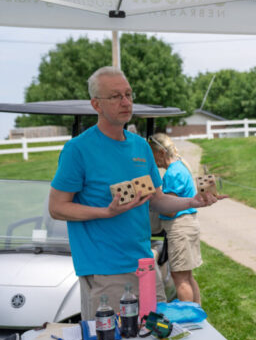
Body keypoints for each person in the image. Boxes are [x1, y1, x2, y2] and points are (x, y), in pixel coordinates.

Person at [49, 66, 217, 320]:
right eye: (116, 96)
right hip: (106, 271)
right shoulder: (78, 150)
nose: (126, 102)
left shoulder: (140, 146)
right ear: (96, 104)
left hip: (146, 266)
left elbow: (157, 200)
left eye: (128, 94)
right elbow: (57, 207)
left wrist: (193, 201)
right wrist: (106, 212)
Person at [149, 133, 226, 304]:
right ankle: (198, 315)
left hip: (179, 228)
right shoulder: (181, 167)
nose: (152, 161)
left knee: (180, 278)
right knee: (187, 276)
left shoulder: (172, 173)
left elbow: (168, 209)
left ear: (161, 152)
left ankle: (188, 317)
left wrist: (151, 199)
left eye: (152, 155)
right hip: (189, 225)